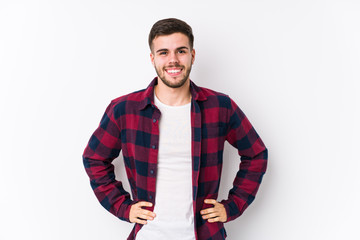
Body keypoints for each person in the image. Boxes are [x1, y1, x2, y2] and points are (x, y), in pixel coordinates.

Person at [83, 18, 268, 240]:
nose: (173, 60)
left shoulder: (220, 106)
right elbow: (94, 159)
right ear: (152, 58)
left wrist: (231, 206)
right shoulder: (124, 109)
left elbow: (256, 154)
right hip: (148, 235)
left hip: (204, 234)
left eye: (181, 51)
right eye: (163, 52)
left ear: (192, 55)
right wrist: (123, 207)